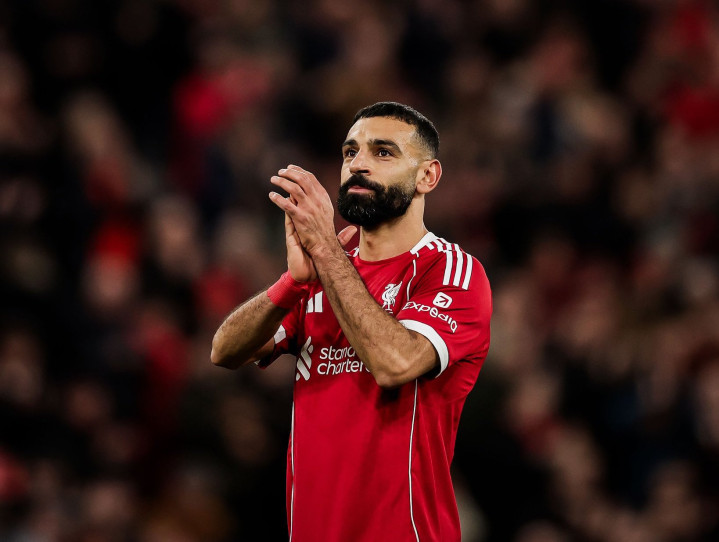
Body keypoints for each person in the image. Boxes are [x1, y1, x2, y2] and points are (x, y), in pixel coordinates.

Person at [211, 102, 492, 541]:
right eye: (350, 152)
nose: (358, 164)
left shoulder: (451, 271)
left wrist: (325, 252)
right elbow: (224, 352)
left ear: (427, 176)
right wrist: (292, 283)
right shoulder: (324, 272)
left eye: (383, 152)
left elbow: (394, 363)